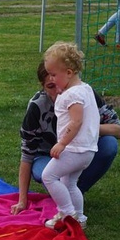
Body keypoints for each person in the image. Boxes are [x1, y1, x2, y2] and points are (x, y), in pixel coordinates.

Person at [10, 60, 120, 216]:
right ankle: (71, 204)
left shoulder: (83, 94)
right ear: (42, 87)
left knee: (109, 144)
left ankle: (71, 202)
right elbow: (27, 153)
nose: (58, 90)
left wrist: (84, 128)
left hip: (78, 149)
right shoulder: (37, 105)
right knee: (46, 173)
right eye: (50, 86)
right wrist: (22, 200)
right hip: (48, 155)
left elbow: (118, 130)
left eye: (58, 82)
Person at [39, 42, 99, 229]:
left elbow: (76, 121)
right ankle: (79, 218)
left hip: (75, 148)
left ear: (69, 73)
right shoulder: (85, 89)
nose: (51, 79)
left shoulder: (72, 95)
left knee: (48, 176)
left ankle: (66, 212)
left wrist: (62, 143)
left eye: (54, 75)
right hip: (87, 149)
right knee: (69, 182)